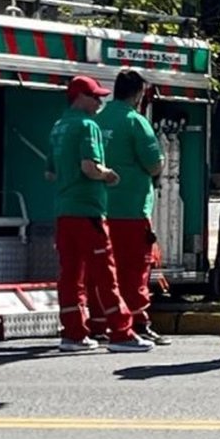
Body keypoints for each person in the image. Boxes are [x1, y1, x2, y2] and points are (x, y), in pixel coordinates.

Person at [48, 76, 151, 353]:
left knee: (70, 275)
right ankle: (121, 333)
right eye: (95, 97)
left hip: (64, 211)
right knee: (105, 273)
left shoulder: (58, 127)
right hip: (88, 209)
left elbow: (50, 172)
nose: (100, 101)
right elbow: (89, 167)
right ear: (80, 97)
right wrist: (109, 175)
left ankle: (73, 333)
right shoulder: (86, 125)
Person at [91, 69, 168, 346]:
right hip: (132, 209)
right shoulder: (136, 122)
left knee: (101, 270)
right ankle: (137, 322)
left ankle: (99, 324)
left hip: (99, 208)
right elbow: (154, 162)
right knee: (134, 269)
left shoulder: (96, 121)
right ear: (138, 93)